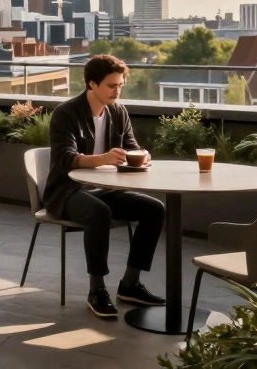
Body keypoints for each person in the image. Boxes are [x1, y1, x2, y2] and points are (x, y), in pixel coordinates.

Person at [40, 53, 167, 319]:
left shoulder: (118, 111)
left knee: (154, 208)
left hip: (105, 189)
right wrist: (103, 158)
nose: (117, 91)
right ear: (91, 84)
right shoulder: (66, 113)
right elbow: (64, 159)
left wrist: (143, 155)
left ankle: (130, 284)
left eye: (120, 85)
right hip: (67, 192)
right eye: (111, 86)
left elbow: (132, 146)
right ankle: (96, 290)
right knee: (99, 212)